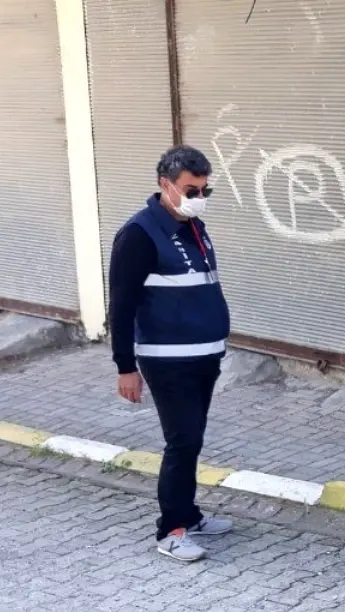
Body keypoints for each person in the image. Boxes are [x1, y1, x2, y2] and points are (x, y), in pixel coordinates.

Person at [108, 146, 232, 563]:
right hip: (167, 359)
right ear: (165, 185)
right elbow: (121, 307)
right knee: (181, 442)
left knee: (192, 440)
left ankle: (190, 515)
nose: (199, 196)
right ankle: (171, 530)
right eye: (191, 189)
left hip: (204, 356)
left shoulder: (194, 226)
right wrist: (125, 367)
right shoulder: (140, 234)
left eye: (204, 189)